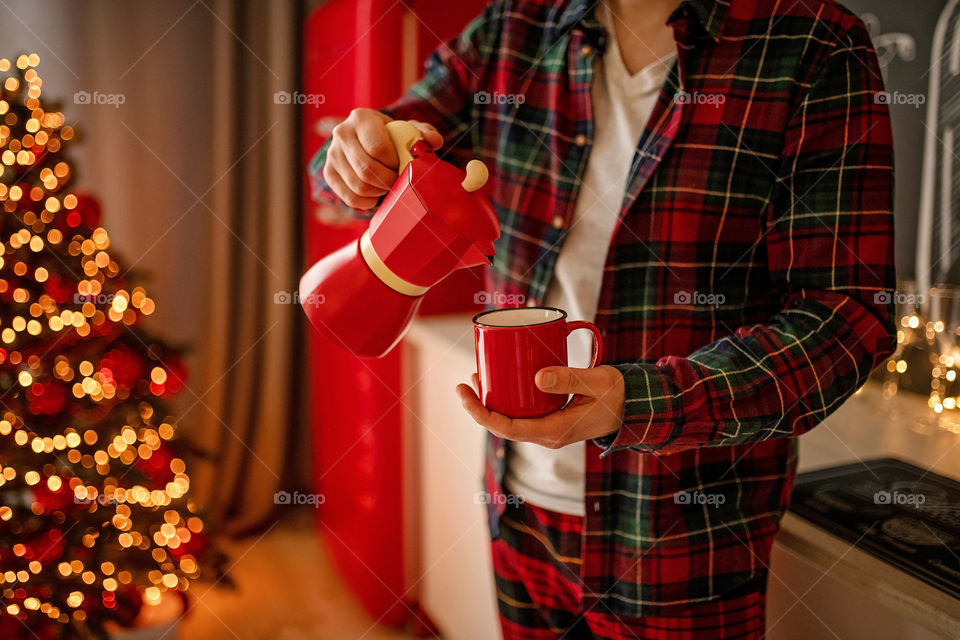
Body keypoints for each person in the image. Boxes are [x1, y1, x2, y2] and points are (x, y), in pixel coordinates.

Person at [309, 0, 896, 637]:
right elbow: (342, 172)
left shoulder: (814, 43)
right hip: (519, 513)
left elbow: (848, 315)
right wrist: (356, 159)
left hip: (683, 540)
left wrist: (637, 401)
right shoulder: (516, 27)